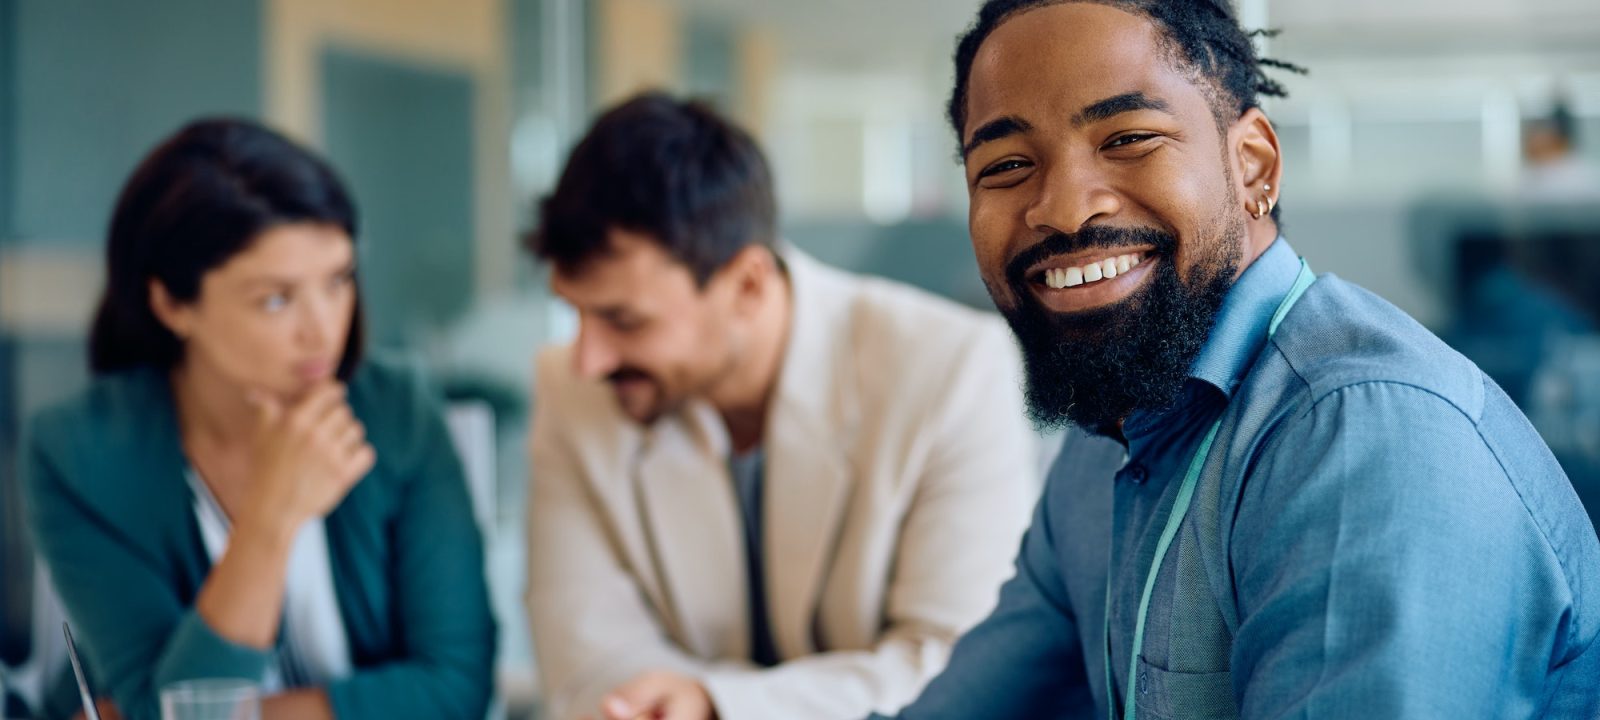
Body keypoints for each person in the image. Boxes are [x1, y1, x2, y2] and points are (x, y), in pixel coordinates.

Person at [880, 1, 1600, 718]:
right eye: (1005, 165)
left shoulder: (1361, 433)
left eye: (1129, 137)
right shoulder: (1106, 444)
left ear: (1253, 165)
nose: (1065, 210)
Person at [523, 93, 1038, 720]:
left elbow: (960, 670)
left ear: (746, 284)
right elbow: (588, 668)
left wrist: (717, 703)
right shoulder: (571, 388)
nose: (588, 360)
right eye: (574, 311)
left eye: (623, 320)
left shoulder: (950, 371)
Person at [23, 118, 495, 720]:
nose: (323, 328)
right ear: (171, 303)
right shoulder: (77, 452)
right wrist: (270, 519)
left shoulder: (398, 413)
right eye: (275, 299)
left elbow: (456, 692)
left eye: (339, 280)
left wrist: (221, 712)